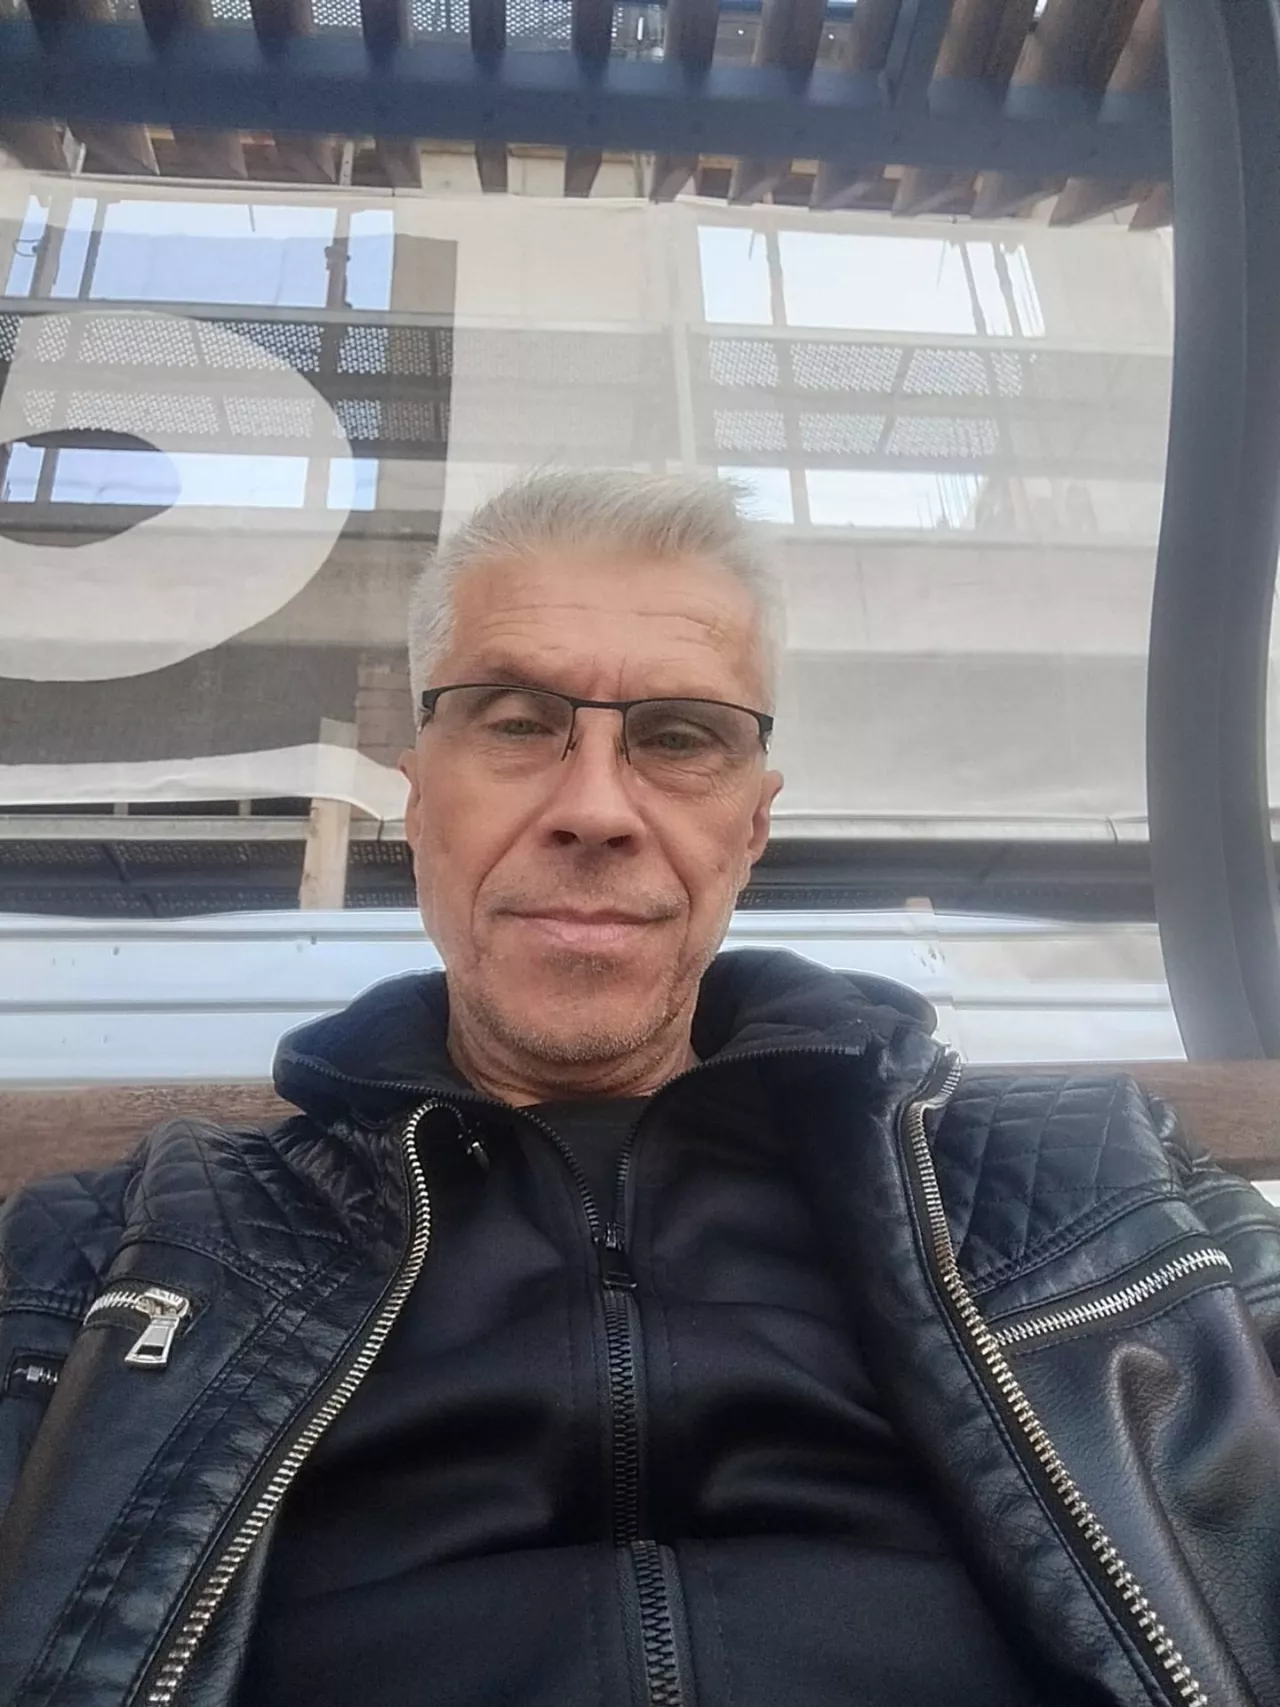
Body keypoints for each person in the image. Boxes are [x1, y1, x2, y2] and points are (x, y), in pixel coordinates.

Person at [1, 469, 1278, 1707]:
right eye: (515, 722)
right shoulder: (126, 1246)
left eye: (677, 737)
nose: (595, 808)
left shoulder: (1092, 1178)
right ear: (418, 799)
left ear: (750, 828)